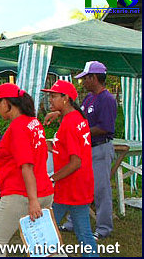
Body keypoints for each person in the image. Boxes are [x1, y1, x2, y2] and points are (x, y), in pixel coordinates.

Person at [44, 61, 117, 240]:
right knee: (80, 193)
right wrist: (59, 113)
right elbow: (77, 113)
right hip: (84, 149)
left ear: (94, 78)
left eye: (85, 78)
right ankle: (72, 223)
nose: (82, 82)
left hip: (99, 147)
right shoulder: (88, 98)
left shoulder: (106, 99)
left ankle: (103, 227)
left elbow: (106, 127)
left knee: (100, 190)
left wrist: (77, 133)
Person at [0, 83, 53, 257]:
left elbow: (27, 165)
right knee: (46, 246)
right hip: (43, 190)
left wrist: (32, 200)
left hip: (21, 194)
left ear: (6, 103)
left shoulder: (17, 127)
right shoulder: (34, 122)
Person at [41, 80, 98, 257]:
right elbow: (63, 147)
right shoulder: (75, 118)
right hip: (77, 185)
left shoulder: (70, 123)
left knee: (46, 232)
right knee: (82, 233)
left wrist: (51, 178)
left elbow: (75, 162)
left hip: (70, 186)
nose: (49, 99)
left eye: (53, 96)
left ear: (66, 98)